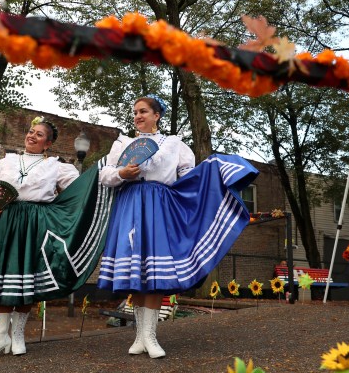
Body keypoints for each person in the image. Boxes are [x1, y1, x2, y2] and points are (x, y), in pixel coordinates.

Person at [97, 95, 258, 358]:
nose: (138, 116)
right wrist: (121, 174)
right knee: (136, 275)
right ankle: (140, 336)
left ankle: (150, 336)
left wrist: (210, 177)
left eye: (144, 111)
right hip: (130, 203)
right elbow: (105, 175)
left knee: (156, 273)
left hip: (160, 204)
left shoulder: (173, 143)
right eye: (135, 112)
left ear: (156, 115)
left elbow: (188, 176)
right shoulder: (123, 143)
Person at [0, 116, 80, 360]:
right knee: (2, 275)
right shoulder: (5, 162)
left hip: (35, 222)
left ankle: (18, 334)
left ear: (47, 144)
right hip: (7, 220)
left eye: (39, 134)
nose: (32, 136)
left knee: (28, 277)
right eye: (31, 131)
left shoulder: (57, 167)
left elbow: (78, 192)